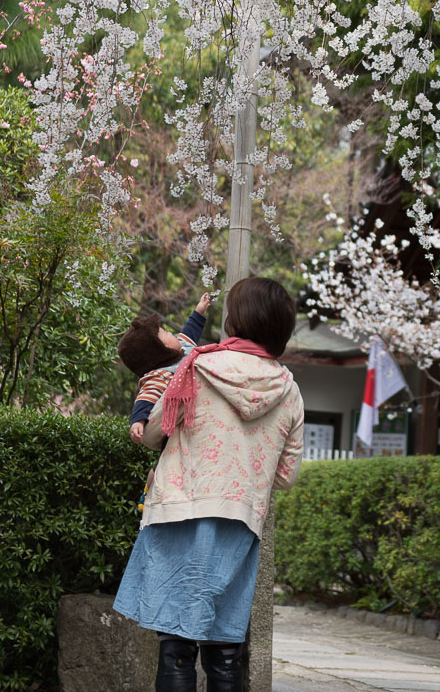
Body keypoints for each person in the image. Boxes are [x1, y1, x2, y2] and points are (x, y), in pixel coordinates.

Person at [113, 277, 304, 692]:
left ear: (236, 320)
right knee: (224, 648)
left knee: (177, 645)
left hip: (179, 509)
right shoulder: (289, 389)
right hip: (239, 521)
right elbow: (287, 476)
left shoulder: (198, 366)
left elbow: (151, 435)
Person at [118, 291, 213, 445]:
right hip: (179, 426)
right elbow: (146, 397)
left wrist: (199, 311)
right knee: (170, 447)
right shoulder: (160, 375)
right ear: (162, 349)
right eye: (166, 333)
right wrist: (137, 421)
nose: (172, 333)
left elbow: (189, 332)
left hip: (199, 412)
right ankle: (157, 469)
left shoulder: (181, 348)